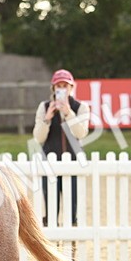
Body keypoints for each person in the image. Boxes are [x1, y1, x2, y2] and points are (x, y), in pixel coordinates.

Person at [32, 68, 89, 227]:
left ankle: (73, 244)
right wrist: (47, 119)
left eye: (65, 85)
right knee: (50, 209)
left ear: (71, 88)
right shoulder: (44, 107)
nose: (62, 89)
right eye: (59, 86)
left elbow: (81, 133)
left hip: (73, 163)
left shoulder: (81, 107)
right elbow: (38, 137)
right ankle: (52, 244)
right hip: (49, 163)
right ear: (53, 88)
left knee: (72, 209)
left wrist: (69, 114)